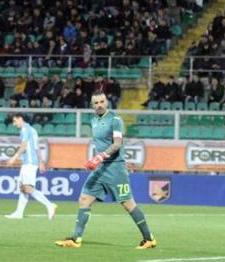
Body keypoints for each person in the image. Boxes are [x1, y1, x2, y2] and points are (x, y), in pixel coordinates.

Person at [54, 92, 157, 249]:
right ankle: (76, 239)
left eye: (102, 101)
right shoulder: (94, 120)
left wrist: (99, 157)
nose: (99, 105)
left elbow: (117, 144)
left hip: (115, 168)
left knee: (128, 204)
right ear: (92, 105)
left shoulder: (115, 120)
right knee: (84, 199)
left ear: (107, 102)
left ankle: (149, 239)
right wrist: (99, 159)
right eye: (96, 103)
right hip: (101, 168)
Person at [4, 114, 57, 220]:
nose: (14, 124)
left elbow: (24, 146)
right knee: (23, 188)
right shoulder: (33, 130)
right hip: (30, 162)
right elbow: (37, 147)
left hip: (29, 163)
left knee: (28, 188)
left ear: (20, 119)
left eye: (15, 121)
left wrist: (14, 158)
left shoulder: (25, 130)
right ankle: (19, 213)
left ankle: (49, 204)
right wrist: (40, 162)